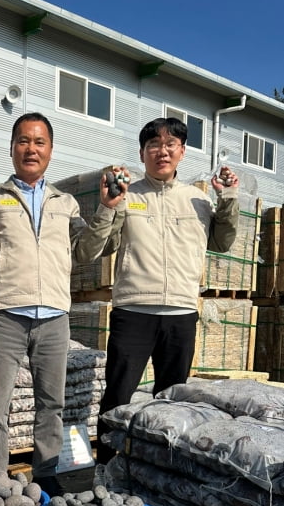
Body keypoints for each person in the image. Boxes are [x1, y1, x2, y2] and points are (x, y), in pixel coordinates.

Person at [0, 112, 107, 495]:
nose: (31, 148)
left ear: (50, 150)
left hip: (54, 318)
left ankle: (46, 478)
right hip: (7, 316)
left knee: (52, 405)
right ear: (12, 148)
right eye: (24, 141)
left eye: (39, 141)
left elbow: (86, 252)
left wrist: (108, 209)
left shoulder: (66, 203)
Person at [93, 116, 240, 465]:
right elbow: (106, 245)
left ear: (182, 152)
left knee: (173, 401)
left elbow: (223, 241)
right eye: (154, 145)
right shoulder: (130, 196)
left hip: (181, 313)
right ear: (142, 153)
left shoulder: (198, 200)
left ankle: (161, 473)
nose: (162, 151)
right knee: (117, 394)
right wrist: (110, 205)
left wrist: (229, 198)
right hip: (133, 311)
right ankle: (105, 468)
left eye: (170, 144)